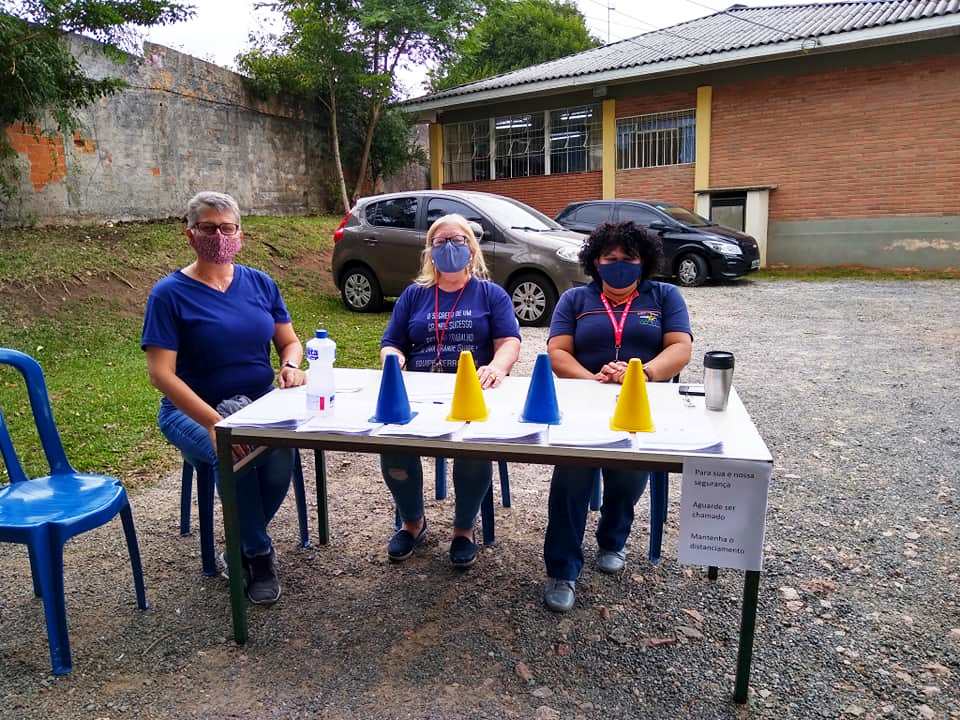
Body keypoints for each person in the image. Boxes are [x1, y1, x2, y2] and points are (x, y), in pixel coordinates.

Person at [142, 191, 307, 605]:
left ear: (241, 234)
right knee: (232, 454)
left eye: (227, 228)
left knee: (282, 452)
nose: (219, 236)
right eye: (208, 228)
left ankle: (242, 537)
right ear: (190, 235)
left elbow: (289, 342)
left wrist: (289, 365)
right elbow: (161, 375)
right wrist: (216, 424)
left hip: (259, 403)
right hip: (191, 411)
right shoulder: (169, 294)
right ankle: (257, 553)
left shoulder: (260, 283)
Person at [542, 221, 693, 612]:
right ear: (596, 261)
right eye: (610, 258)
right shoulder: (575, 299)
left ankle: (613, 538)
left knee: (628, 475)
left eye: (629, 258)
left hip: (642, 402)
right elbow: (558, 351)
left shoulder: (664, 296)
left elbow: (680, 347)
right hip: (584, 401)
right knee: (571, 480)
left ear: (644, 262)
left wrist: (640, 374)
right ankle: (563, 568)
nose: (619, 264)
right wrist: (592, 379)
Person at [379, 213, 521, 568]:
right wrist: (393, 359)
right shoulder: (414, 295)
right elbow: (391, 342)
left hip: (472, 392)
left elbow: (509, 342)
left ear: (471, 250)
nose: (449, 248)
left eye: (457, 241)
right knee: (392, 443)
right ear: (430, 251)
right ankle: (413, 522)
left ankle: (463, 530)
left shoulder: (491, 294)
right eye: (440, 242)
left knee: (472, 449)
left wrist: (498, 366)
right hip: (420, 391)